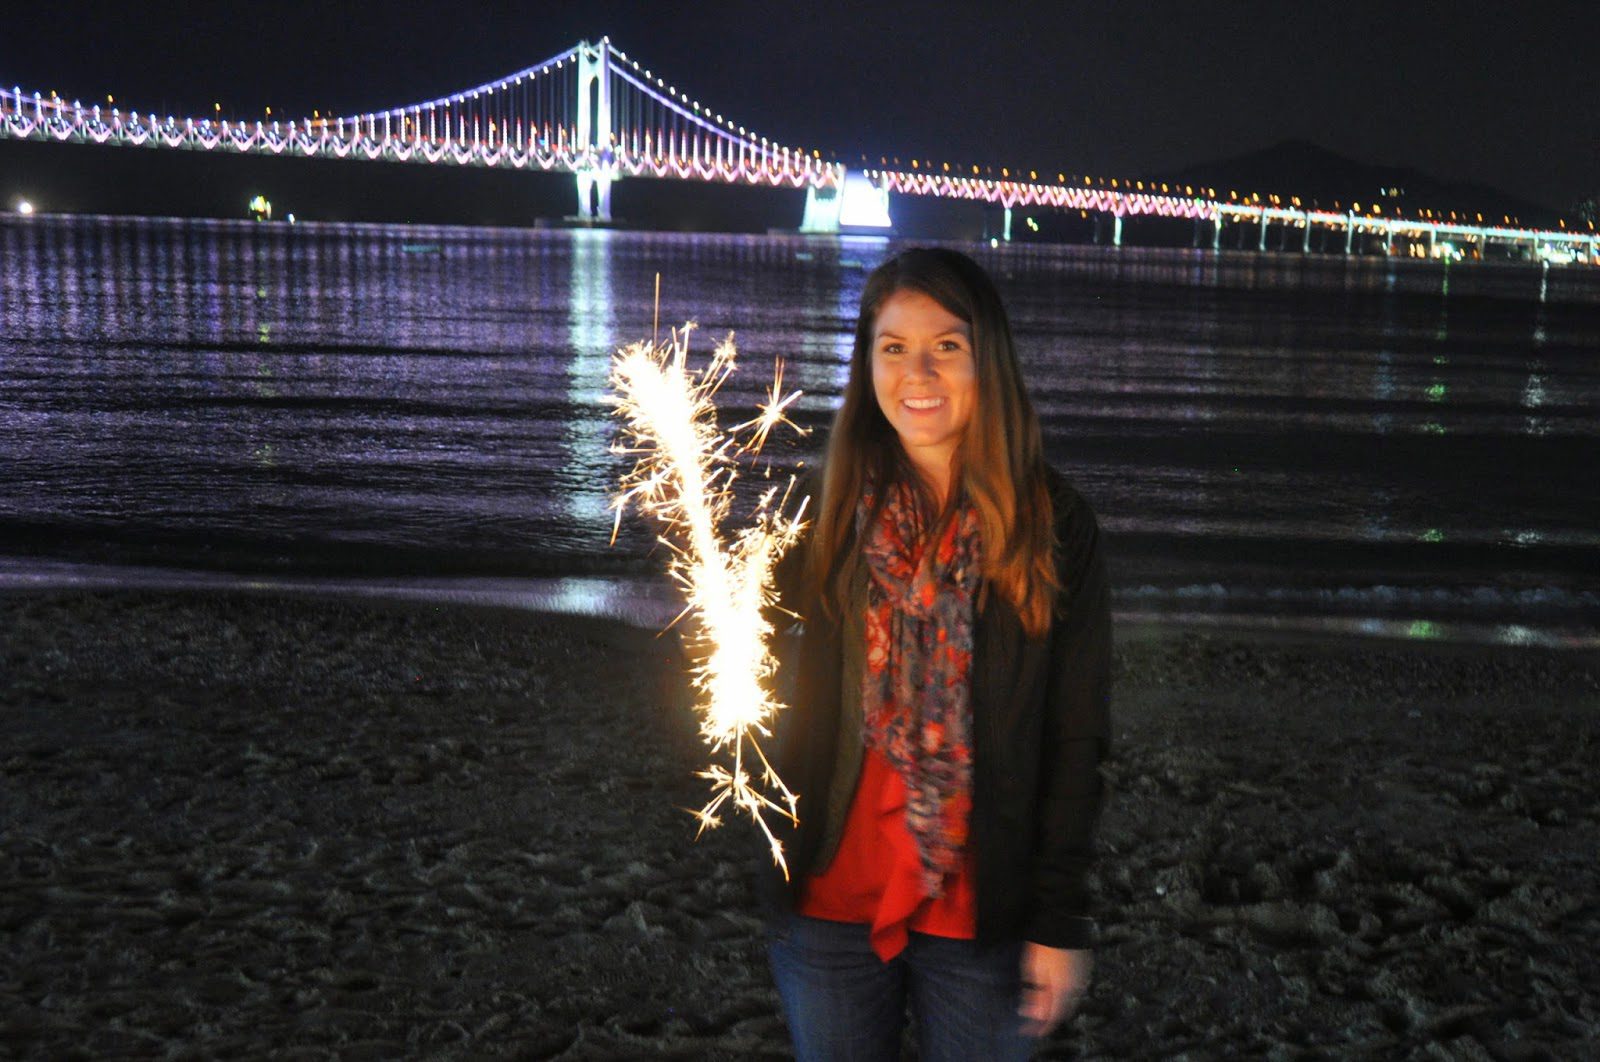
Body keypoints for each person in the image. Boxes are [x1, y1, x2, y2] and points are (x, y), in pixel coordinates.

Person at [762, 247, 1112, 1061]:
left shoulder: (1056, 525)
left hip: (982, 917)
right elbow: (754, 659)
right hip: (827, 903)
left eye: (945, 346)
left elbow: (1076, 737)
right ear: (868, 363)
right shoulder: (823, 510)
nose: (916, 372)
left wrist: (1061, 921)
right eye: (893, 347)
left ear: (987, 356)